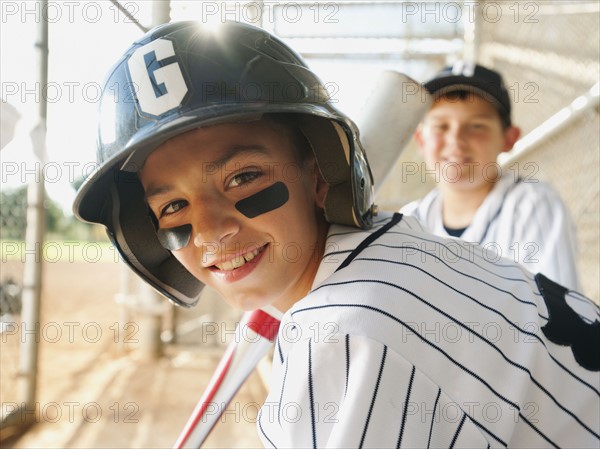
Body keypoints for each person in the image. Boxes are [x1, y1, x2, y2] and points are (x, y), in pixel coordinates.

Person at [73, 21, 599, 448]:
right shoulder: (400, 244)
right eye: (171, 207)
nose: (211, 229)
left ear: (320, 171)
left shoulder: (343, 329)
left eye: (242, 177)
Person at [401, 62, 582, 292]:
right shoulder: (408, 221)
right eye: (441, 126)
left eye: (476, 126)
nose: (456, 140)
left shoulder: (532, 205)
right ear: (420, 139)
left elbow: (559, 322)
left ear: (509, 138)